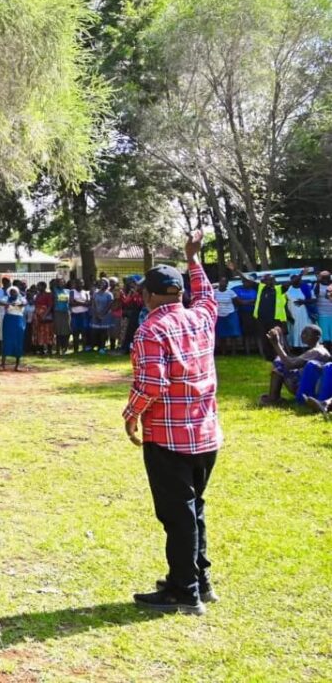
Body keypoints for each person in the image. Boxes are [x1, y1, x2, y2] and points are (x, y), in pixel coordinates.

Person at [123, 230, 221, 615]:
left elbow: (152, 384)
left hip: (168, 438)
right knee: (194, 508)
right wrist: (193, 259)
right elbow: (208, 296)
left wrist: (131, 415)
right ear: (180, 293)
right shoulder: (201, 318)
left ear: (147, 296)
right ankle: (199, 578)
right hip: (206, 433)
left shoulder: (151, 329)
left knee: (177, 515)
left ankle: (184, 591)